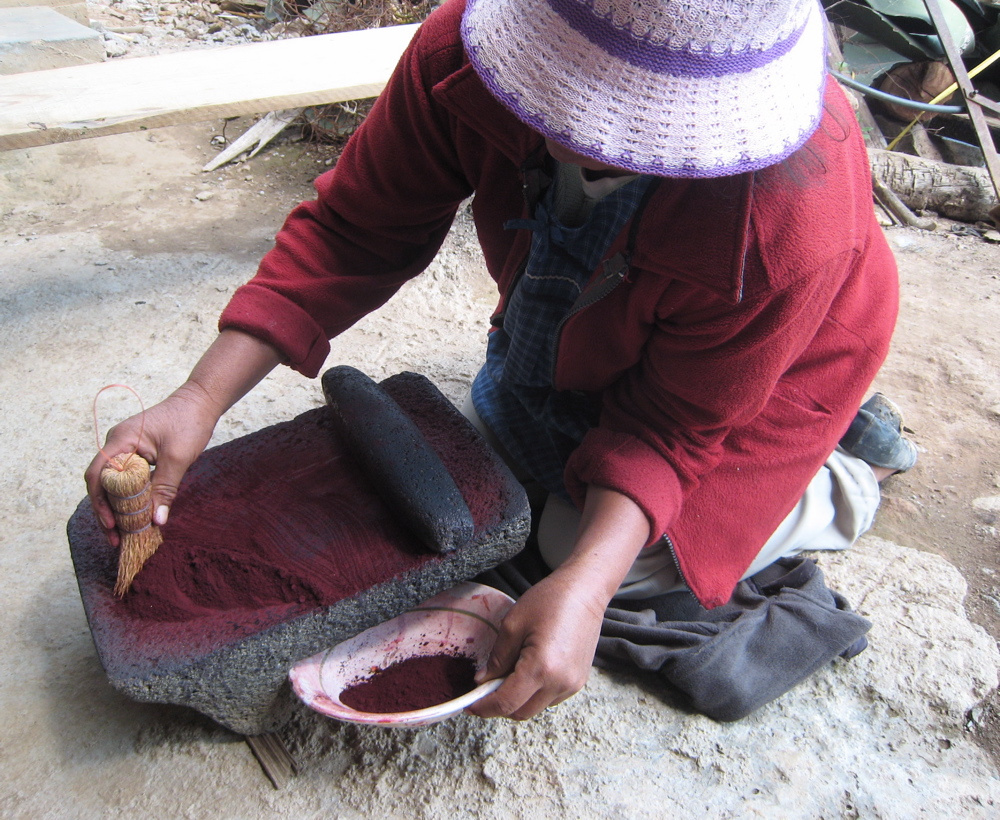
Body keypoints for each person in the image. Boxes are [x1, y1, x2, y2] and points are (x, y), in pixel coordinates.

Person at [86, 0, 916, 721]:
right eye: (570, 99)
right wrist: (200, 396)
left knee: (584, 555)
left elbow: (670, 427)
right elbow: (355, 227)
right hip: (619, 313)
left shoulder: (786, 212)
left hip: (787, 354)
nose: (590, 136)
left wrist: (587, 588)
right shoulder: (469, 55)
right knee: (499, 461)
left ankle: (845, 470)